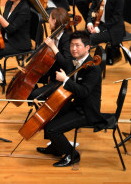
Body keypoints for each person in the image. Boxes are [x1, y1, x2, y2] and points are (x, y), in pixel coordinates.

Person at [36, 30, 104, 167]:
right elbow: (64, 66)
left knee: (51, 129)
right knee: (48, 118)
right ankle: (56, 147)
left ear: (87, 47)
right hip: (77, 104)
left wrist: (66, 80)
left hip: (87, 110)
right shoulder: (77, 62)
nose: (73, 48)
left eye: (78, 45)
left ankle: (72, 155)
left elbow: (84, 92)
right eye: (72, 45)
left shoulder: (93, 68)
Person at [86, 0, 125, 65]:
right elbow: (92, 8)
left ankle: (90, 63)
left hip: (112, 28)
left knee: (89, 39)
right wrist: (89, 22)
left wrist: (98, 29)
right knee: (80, 37)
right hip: (98, 23)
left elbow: (115, 18)